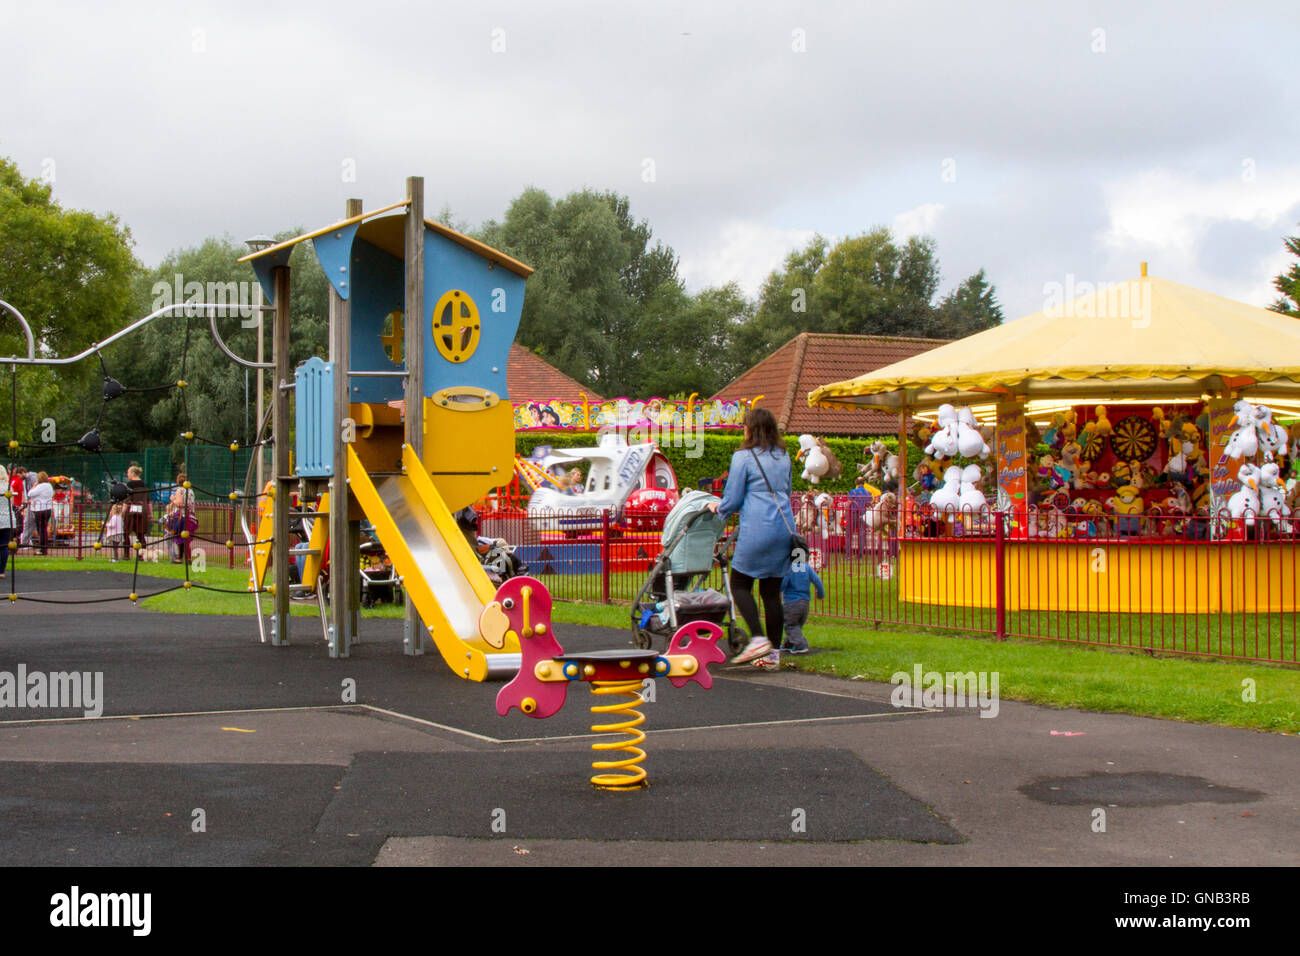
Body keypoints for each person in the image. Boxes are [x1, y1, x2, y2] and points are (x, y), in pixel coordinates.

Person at [706, 407, 794, 670]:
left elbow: (732, 497)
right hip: (784, 526)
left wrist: (718, 509)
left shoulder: (743, 457)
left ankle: (757, 637)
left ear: (750, 429)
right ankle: (773, 655)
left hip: (758, 525)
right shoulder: (783, 455)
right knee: (771, 590)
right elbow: (787, 489)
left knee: (740, 583)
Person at [781, 549, 825, 654]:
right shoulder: (807, 568)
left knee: (790, 624)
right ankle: (789, 643)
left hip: (791, 603)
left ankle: (800, 645)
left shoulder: (789, 569)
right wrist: (820, 594)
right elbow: (817, 581)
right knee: (796, 624)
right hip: (805, 603)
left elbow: (783, 584)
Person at [123, 464, 152, 553]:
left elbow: (126, 501)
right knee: (140, 534)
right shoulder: (144, 484)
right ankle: (142, 554)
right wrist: (150, 514)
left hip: (131, 512)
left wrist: (122, 512)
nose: (127, 474)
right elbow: (148, 501)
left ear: (132, 473)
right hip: (142, 511)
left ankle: (126, 554)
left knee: (126, 532)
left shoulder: (129, 485)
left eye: (128, 472)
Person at [27, 471, 55, 555]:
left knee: (41, 530)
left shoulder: (40, 486)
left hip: (39, 509)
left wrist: (34, 486)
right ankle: (44, 548)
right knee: (44, 529)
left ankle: (42, 549)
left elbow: (30, 494)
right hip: (48, 509)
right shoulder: (49, 486)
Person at [0, 465, 14, 577]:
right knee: (4, 545)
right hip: (7, 518)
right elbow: (12, 503)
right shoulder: (8, 487)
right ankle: (1, 571)